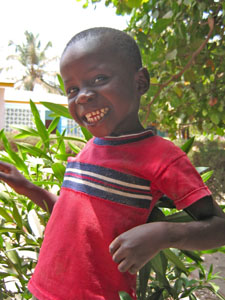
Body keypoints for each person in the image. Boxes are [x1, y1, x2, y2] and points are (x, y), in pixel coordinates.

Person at [0, 27, 224, 300]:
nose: (82, 96)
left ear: (140, 82)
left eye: (99, 78)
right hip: (42, 291)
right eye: (72, 89)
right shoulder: (89, 150)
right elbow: (73, 222)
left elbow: (219, 228)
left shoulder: (162, 157)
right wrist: (29, 188)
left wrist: (164, 234)